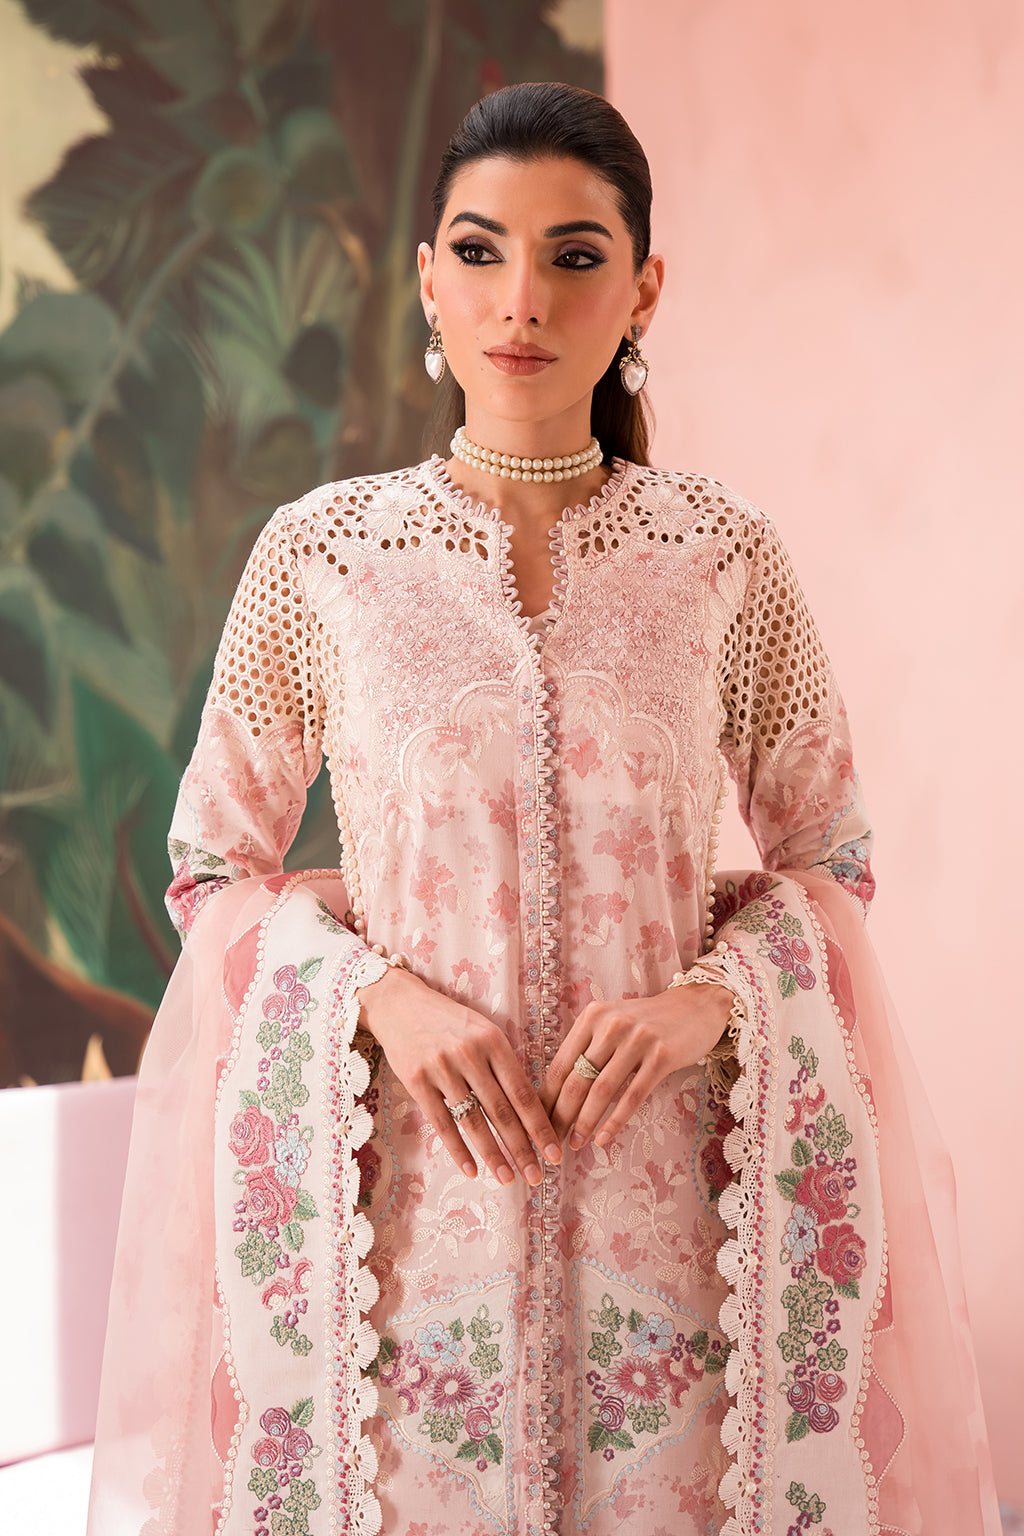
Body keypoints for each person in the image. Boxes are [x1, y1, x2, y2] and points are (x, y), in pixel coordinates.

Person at [88, 83, 1001, 1536]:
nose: (521, 299)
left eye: (575, 256)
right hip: (402, 1264)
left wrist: (707, 1003)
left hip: (683, 1259)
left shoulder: (721, 558)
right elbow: (214, 868)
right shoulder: (324, 559)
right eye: (480, 251)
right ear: (427, 280)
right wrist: (382, 1000)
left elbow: (829, 858)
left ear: (644, 287)